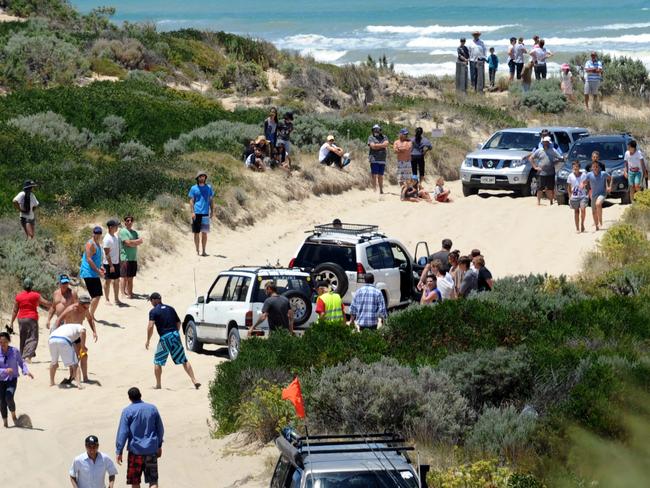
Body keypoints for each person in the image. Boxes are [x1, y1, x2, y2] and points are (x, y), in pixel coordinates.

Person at [146, 293, 200, 390]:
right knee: (184, 359)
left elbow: (150, 326)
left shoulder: (153, 311)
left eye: (151, 300)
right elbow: (178, 322)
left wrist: (148, 340)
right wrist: (175, 333)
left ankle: (158, 385)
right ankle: (194, 380)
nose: (151, 302)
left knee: (158, 361)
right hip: (175, 335)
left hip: (165, 337)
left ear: (154, 300)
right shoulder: (171, 308)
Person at [115, 387, 164, 488]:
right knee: (153, 481)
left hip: (135, 452)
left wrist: (119, 451)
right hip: (151, 450)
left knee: (135, 482)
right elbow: (160, 429)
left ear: (129, 398)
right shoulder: (152, 408)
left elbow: (123, 432)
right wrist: (159, 445)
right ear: (140, 395)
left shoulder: (127, 411)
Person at [55, 295, 98, 384]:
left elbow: (90, 320)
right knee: (73, 358)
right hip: (68, 336)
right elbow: (59, 320)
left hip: (78, 336)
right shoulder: (71, 309)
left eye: (88, 306)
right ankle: (72, 377)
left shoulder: (85, 310)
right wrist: (57, 333)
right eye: (85, 306)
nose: (87, 308)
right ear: (79, 304)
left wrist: (94, 331)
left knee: (84, 355)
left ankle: (85, 378)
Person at [10, 277, 50, 363]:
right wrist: (53, 306)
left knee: (23, 337)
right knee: (32, 337)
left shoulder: (18, 296)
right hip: (31, 318)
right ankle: (27, 357)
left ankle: (22, 356)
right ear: (31, 286)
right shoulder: (35, 295)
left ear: (23, 286)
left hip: (21, 319)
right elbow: (45, 303)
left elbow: (15, 310)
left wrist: (11, 322)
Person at [0, 331, 33, 428]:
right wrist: (5, 370)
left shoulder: (15, 351)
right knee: (2, 401)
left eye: (5, 341)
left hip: (12, 379)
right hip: (1, 380)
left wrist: (26, 371)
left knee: (9, 397)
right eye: (0, 342)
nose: (3, 344)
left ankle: (14, 416)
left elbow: (21, 363)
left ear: (9, 341)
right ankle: (5, 423)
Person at [48, 322, 87, 388]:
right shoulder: (80, 326)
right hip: (64, 339)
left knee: (54, 362)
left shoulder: (66, 327)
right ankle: (79, 384)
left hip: (51, 339)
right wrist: (83, 347)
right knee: (75, 364)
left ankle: (52, 382)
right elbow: (83, 332)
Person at [528, 136, 563, 205]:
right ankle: (538, 202)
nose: (546, 143)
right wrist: (535, 167)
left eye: (547, 142)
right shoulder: (539, 150)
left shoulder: (553, 150)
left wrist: (555, 162)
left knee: (550, 188)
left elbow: (560, 158)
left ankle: (551, 202)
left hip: (551, 172)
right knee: (540, 188)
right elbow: (531, 158)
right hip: (541, 173)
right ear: (542, 142)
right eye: (545, 142)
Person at [80, 226, 105, 320]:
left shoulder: (98, 244)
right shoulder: (90, 244)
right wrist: (98, 271)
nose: (97, 235)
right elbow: (89, 259)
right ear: (93, 233)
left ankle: (88, 313)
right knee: (96, 295)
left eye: (99, 233)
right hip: (89, 273)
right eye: (96, 233)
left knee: (97, 295)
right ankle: (88, 313)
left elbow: (96, 259)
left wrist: (101, 267)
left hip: (93, 273)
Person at [188, 170, 215, 257]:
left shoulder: (209, 188)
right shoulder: (193, 188)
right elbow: (191, 201)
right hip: (196, 213)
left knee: (204, 233)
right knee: (196, 233)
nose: (202, 177)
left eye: (203, 176)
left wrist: (212, 211)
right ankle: (197, 250)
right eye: (200, 176)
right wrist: (192, 212)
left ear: (205, 178)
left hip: (205, 213)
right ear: (198, 178)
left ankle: (203, 251)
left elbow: (211, 200)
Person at [584, 158, 612, 231]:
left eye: (597, 167)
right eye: (594, 167)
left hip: (602, 193)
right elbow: (584, 182)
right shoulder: (589, 175)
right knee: (593, 212)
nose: (595, 168)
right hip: (593, 195)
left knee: (598, 204)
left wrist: (609, 186)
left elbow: (611, 178)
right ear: (591, 168)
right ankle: (597, 225)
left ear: (599, 167)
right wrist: (584, 188)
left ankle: (600, 221)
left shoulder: (603, 174)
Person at [120, 215, 143, 299]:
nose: (130, 222)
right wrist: (134, 243)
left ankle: (130, 293)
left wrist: (132, 243)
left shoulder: (134, 232)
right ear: (125, 222)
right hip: (125, 257)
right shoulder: (123, 231)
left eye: (131, 221)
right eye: (128, 220)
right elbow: (127, 243)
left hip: (133, 258)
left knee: (131, 277)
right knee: (124, 277)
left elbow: (140, 241)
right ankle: (122, 293)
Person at [103, 219, 123, 306]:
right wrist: (111, 265)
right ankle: (107, 299)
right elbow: (107, 254)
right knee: (108, 281)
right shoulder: (107, 239)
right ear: (110, 227)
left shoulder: (116, 237)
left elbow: (117, 250)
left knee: (116, 281)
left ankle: (116, 299)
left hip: (116, 262)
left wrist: (120, 260)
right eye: (116, 226)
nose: (117, 227)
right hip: (108, 264)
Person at [567, 160, 588, 233]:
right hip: (574, 197)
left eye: (577, 166)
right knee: (576, 212)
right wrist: (570, 197)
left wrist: (584, 185)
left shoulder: (584, 175)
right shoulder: (570, 176)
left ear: (579, 167)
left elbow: (586, 183)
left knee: (583, 210)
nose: (575, 168)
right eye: (574, 166)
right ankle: (577, 228)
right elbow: (569, 187)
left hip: (583, 196)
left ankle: (582, 224)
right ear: (572, 167)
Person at [367, 124, 389, 194]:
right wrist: (382, 146)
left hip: (382, 159)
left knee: (381, 175)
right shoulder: (371, 137)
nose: (376, 131)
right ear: (373, 130)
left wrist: (377, 146)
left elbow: (386, 144)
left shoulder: (384, 137)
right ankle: (374, 189)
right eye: (375, 129)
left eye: (377, 129)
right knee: (374, 175)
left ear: (380, 130)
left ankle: (381, 190)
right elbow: (372, 146)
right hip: (374, 158)